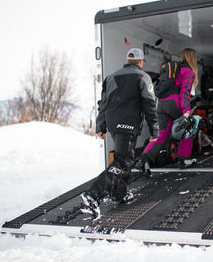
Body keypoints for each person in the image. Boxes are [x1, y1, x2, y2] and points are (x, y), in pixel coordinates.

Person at [79, 48, 159, 218]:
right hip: (129, 123)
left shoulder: (111, 77)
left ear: (127, 60)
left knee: (124, 158)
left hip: (114, 124)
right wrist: (154, 129)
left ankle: (119, 193)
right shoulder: (143, 77)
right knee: (123, 161)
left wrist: (101, 126)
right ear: (141, 61)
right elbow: (150, 104)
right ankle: (92, 195)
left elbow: (103, 103)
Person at [138, 48, 199, 169]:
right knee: (188, 127)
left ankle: (144, 159)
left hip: (161, 103)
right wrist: (186, 111)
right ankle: (183, 159)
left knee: (161, 133)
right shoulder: (188, 71)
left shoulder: (173, 69)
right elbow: (185, 92)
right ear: (193, 58)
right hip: (175, 102)